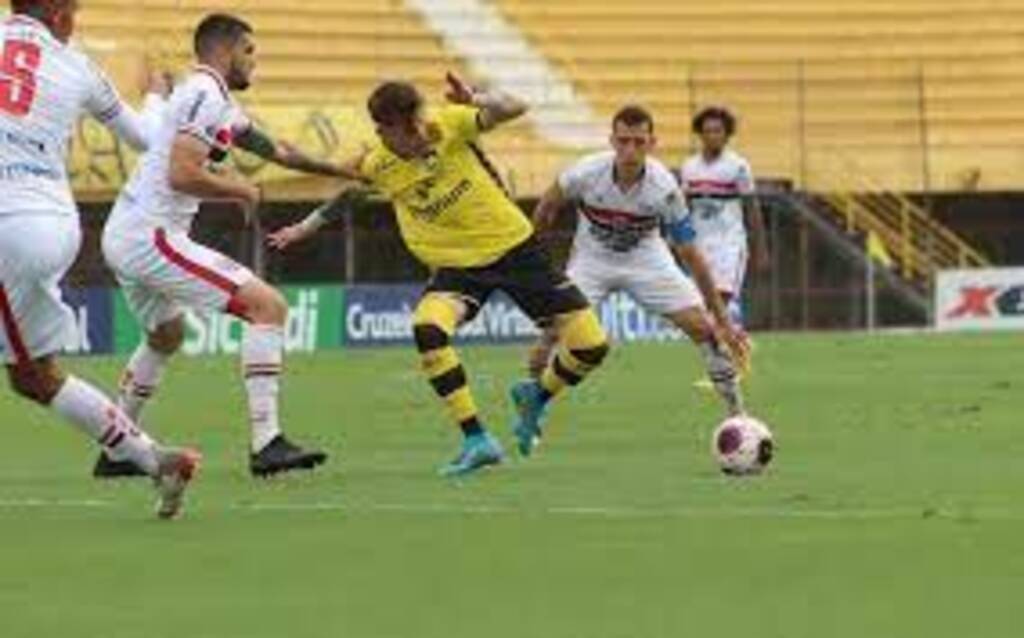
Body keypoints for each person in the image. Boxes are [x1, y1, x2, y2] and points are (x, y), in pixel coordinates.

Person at [269, 74, 612, 475]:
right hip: (458, 269)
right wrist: (303, 228)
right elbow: (348, 194)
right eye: (393, 127)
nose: (394, 134)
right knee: (428, 328)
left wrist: (478, 98)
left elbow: (516, 106)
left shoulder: (448, 124)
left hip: (516, 249)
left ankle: (536, 396)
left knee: (591, 347)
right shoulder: (381, 163)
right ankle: (477, 439)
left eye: (402, 124)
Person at [98, 13, 352, 478]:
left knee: (165, 336)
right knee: (268, 307)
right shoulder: (203, 95)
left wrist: (342, 171)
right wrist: (240, 189)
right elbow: (182, 172)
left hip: (127, 230)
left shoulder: (215, 101)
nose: (254, 63)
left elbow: (278, 151)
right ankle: (267, 442)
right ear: (226, 50)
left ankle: (118, 447)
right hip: (151, 235)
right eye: (250, 52)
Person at [0, 0, 197, 518]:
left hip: (7, 223)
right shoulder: (79, 66)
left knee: (33, 375)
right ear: (62, 17)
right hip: (50, 226)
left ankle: (151, 458)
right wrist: (156, 96)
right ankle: (154, 460)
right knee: (32, 376)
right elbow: (148, 139)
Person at [525, 105, 748, 417]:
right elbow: (547, 207)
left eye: (638, 142)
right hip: (593, 260)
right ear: (612, 141)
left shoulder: (665, 189)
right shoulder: (584, 173)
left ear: (651, 143)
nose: (630, 149)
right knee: (552, 335)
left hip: (647, 259)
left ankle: (737, 415)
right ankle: (532, 406)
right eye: (623, 140)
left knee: (704, 329)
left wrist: (723, 320)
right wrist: (535, 262)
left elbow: (690, 253)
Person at [680, 106, 769, 332]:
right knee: (705, 302)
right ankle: (726, 340)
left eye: (718, 131)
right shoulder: (689, 167)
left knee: (722, 295)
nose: (712, 136)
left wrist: (761, 249)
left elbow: (752, 208)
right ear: (700, 134)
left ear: (727, 134)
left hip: (730, 243)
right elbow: (683, 208)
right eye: (707, 131)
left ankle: (720, 341)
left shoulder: (738, 166)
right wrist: (678, 241)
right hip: (700, 244)